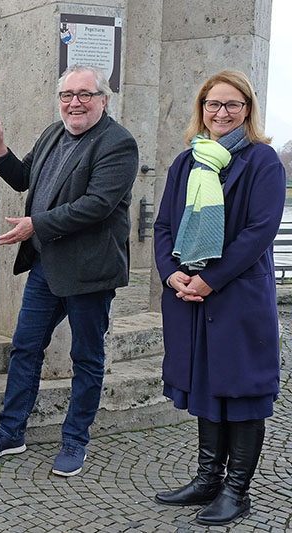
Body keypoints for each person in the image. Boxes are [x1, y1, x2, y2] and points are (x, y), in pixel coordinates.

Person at [0, 65, 139, 477]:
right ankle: (11, 432)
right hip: (46, 267)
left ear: (103, 99)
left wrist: (35, 226)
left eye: (84, 94)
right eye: (67, 95)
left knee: (86, 357)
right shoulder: (52, 133)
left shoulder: (119, 144)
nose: (74, 102)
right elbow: (25, 178)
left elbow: (97, 205)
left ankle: (75, 439)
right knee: (25, 348)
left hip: (90, 272)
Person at [153, 70, 285, 526]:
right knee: (208, 386)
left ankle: (236, 490)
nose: (222, 113)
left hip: (237, 297)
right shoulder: (185, 163)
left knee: (243, 390)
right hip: (189, 298)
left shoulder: (263, 161)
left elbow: (259, 233)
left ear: (247, 110)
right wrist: (172, 276)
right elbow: (164, 227)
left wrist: (211, 279)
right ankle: (208, 478)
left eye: (232, 105)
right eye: (213, 104)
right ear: (202, 110)